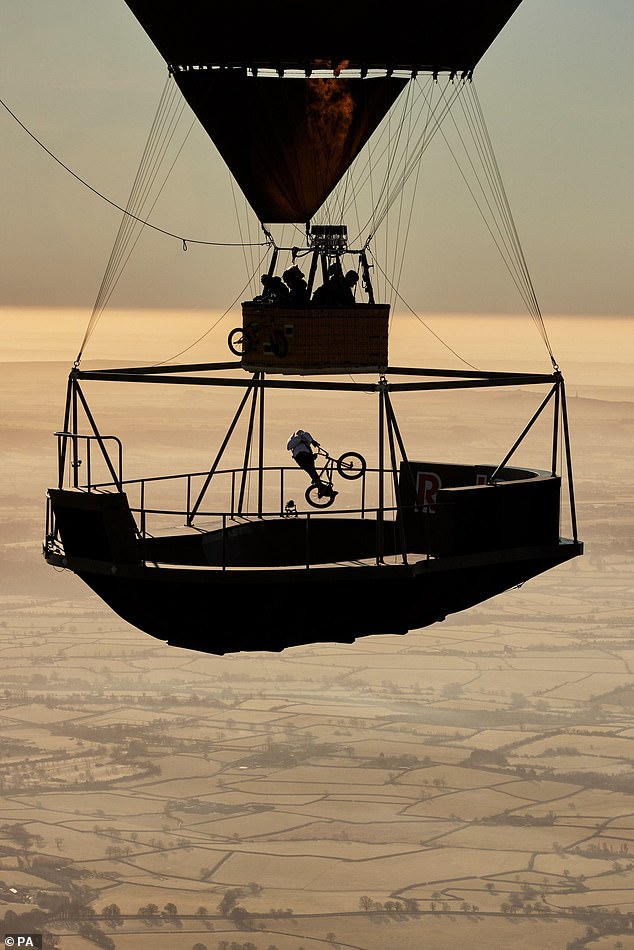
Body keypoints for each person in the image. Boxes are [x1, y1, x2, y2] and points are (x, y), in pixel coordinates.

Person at [286, 429, 337, 498]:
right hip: (305, 455)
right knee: (313, 472)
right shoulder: (300, 436)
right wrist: (313, 441)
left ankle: (324, 489)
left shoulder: (296, 445)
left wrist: (312, 456)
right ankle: (326, 491)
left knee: (312, 473)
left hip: (300, 458)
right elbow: (305, 435)